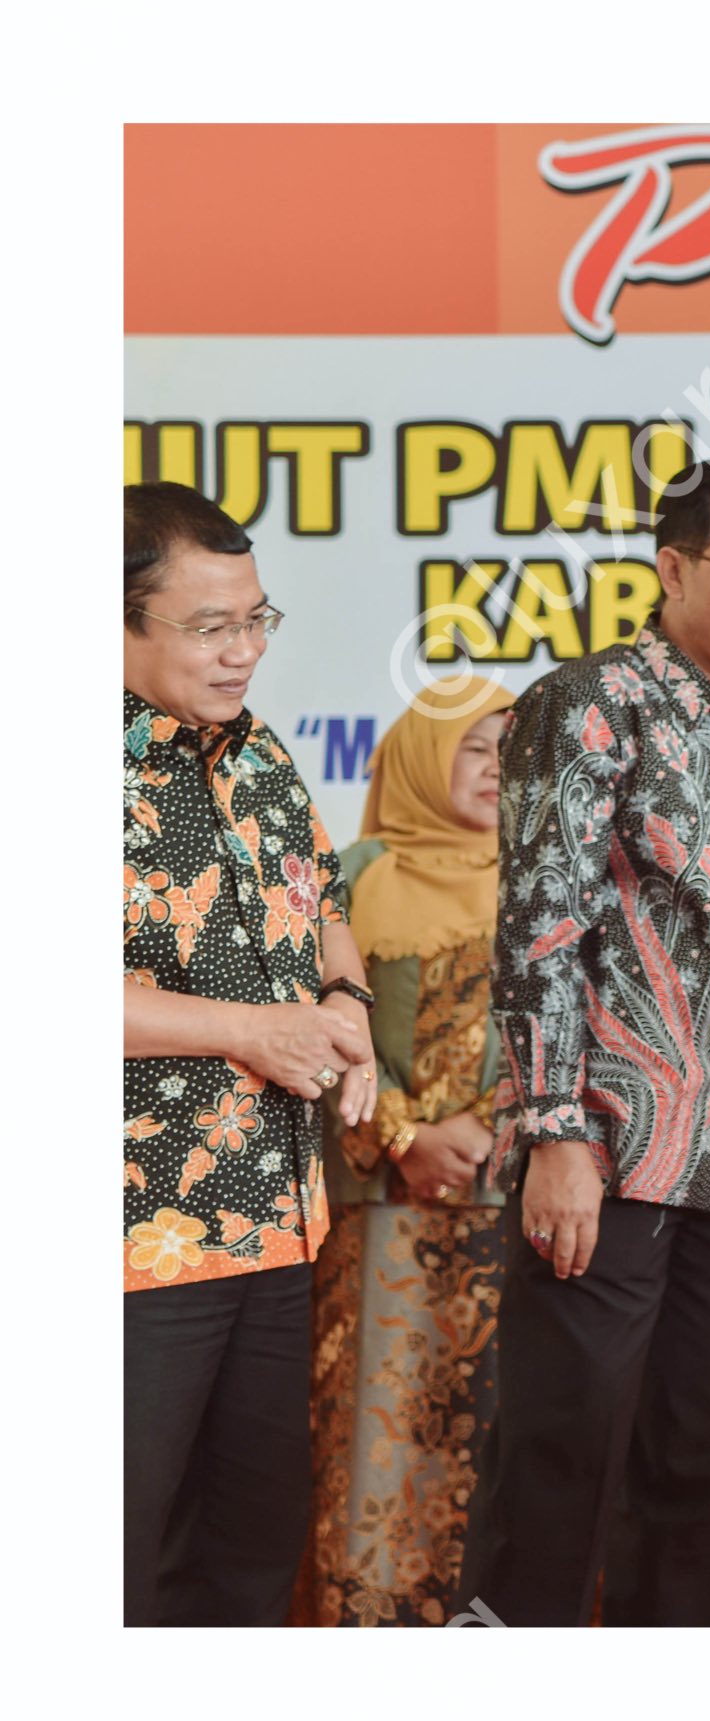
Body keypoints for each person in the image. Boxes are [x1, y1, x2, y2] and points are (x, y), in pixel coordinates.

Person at [460, 458, 710, 1627]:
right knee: (562, 1452)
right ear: (673, 568)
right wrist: (554, 1133)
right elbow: (538, 927)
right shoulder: (587, 702)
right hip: (614, 1147)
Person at [122, 481, 378, 1625]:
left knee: (252, 1543)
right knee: (122, 1544)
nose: (245, 650)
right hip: (137, 1232)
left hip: (276, 1213)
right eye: (211, 626)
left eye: (257, 619)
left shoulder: (258, 751)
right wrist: (249, 1031)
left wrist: (343, 999)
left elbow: (322, 904)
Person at [300, 676, 517, 1627]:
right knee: (374, 1433)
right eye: (474, 747)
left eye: (513, 748)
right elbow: (310, 1027)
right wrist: (404, 1135)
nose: (499, 768)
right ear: (422, 760)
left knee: (512, 1431)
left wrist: (500, 1129)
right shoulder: (350, 878)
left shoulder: (553, 874)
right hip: (382, 1212)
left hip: (521, 1207)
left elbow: (581, 1022)